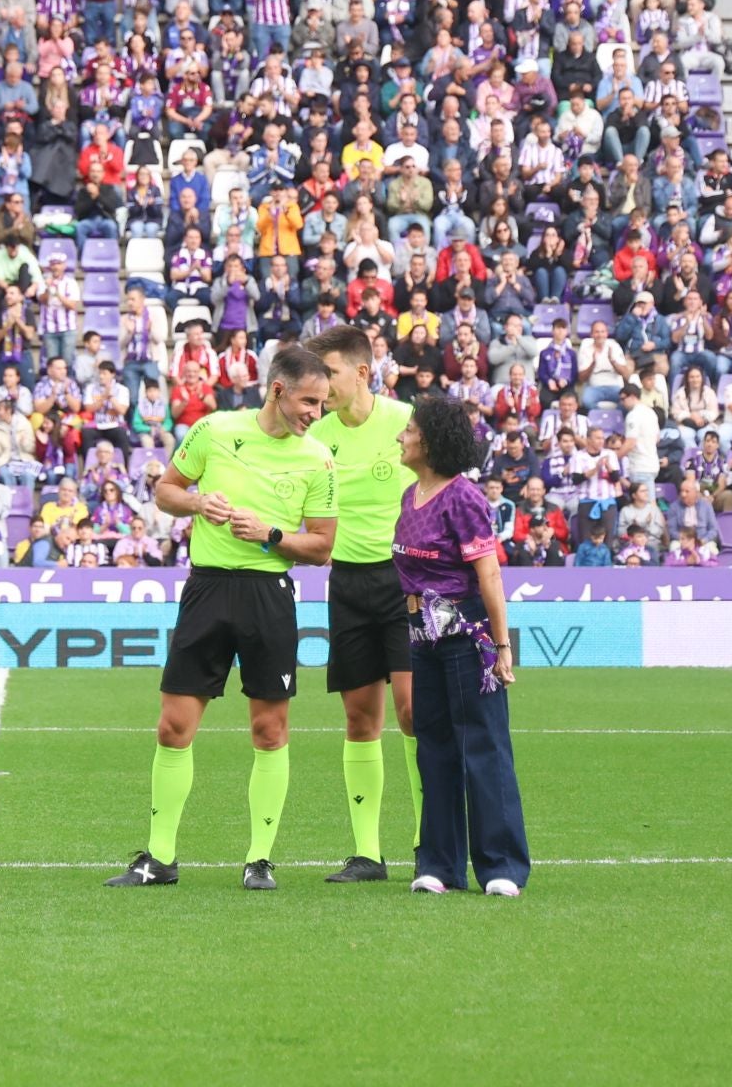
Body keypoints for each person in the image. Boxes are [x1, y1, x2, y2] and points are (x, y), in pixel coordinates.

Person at [107, 346, 337, 892]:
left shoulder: (319, 458)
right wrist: (197, 503)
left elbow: (323, 547)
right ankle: (159, 859)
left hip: (269, 597)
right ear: (278, 390)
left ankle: (259, 859)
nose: (316, 413)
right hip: (207, 589)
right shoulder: (213, 429)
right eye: (310, 401)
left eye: (323, 403)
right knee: (174, 726)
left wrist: (271, 535)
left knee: (269, 729)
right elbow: (164, 491)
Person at [393, 395, 527, 897]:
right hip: (422, 643)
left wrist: (501, 646)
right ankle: (439, 865)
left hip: (467, 641)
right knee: (435, 751)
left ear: (427, 440)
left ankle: (502, 868)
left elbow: (488, 573)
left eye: (408, 430)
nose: (401, 437)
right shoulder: (410, 496)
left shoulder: (464, 497)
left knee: (484, 751)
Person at [304, 326, 420, 883]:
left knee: (414, 713)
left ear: (362, 374)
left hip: (406, 581)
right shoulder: (315, 435)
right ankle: (368, 854)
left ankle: (430, 843)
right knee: (359, 719)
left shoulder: (405, 423)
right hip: (347, 584)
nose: (322, 384)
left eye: (330, 373)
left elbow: (446, 491)